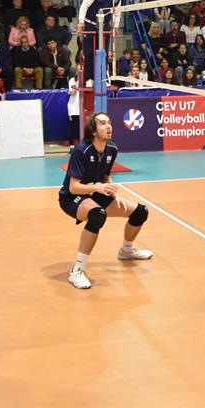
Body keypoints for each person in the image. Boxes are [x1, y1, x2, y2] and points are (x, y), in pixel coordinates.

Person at [60, 111, 153, 290]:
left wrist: (113, 193)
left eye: (109, 122)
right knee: (98, 215)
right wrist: (96, 187)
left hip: (98, 191)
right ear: (93, 130)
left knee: (140, 212)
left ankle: (127, 250)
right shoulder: (81, 150)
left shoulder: (112, 149)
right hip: (72, 197)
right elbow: (73, 187)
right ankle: (77, 270)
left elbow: (105, 176)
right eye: (102, 123)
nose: (108, 126)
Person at [76, 0, 121, 66]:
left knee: (103, 53)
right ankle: (89, 75)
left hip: (105, 27)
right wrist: (81, 22)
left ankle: (102, 74)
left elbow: (117, 13)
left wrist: (116, 26)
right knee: (89, 53)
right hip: (90, 25)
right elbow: (84, 5)